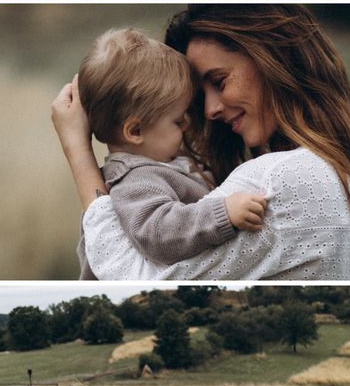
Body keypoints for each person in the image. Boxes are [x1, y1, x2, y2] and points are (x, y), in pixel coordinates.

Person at [52, 4, 350, 281]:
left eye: (219, 81)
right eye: (201, 97)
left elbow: (131, 280)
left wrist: (79, 154)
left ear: (272, 60)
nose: (209, 111)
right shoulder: (347, 176)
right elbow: (155, 233)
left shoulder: (280, 179)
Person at [76, 28, 267, 279]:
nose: (187, 125)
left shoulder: (156, 165)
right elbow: (157, 232)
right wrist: (221, 214)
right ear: (135, 130)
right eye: (177, 121)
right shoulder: (136, 179)